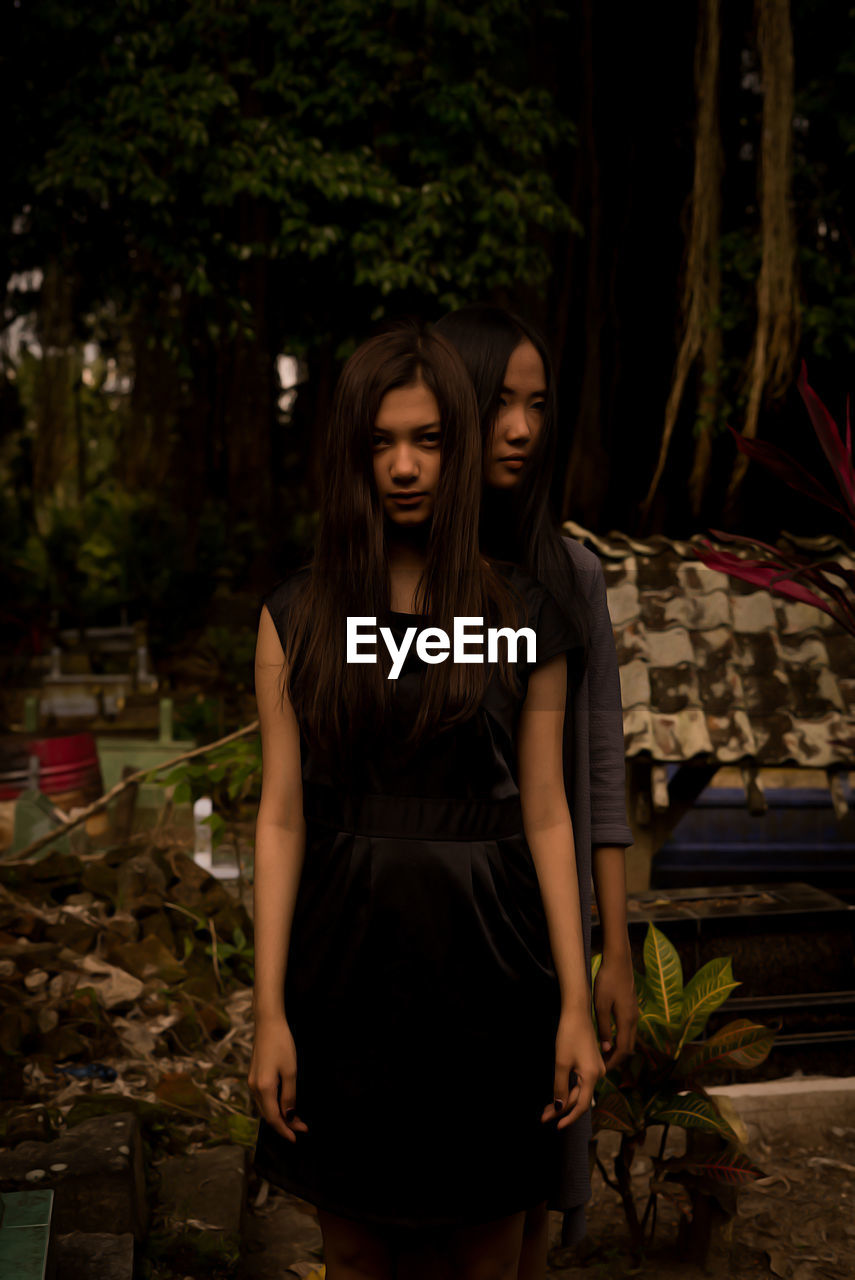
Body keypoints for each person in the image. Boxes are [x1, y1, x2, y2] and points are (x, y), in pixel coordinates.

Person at [248, 322, 605, 1279]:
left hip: (494, 976)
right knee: (356, 1249)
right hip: (343, 974)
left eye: (429, 439)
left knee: (486, 1247)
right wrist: (269, 1011)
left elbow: (546, 814)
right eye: (380, 442)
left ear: (457, 445)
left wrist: (574, 1001)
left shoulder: (528, 613)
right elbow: (280, 818)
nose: (404, 467)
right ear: (350, 456)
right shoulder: (297, 616)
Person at [435, 304, 638, 1278]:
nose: (522, 427)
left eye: (537, 405)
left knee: (527, 1212)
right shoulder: (397, 580)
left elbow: (595, 772)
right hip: (425, 934)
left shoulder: (571, 574)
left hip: (541, 931)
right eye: (499, 403)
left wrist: (613, 948)